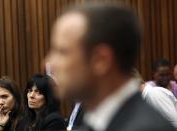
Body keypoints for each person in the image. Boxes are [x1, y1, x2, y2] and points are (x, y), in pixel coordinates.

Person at [47, 2, 176, 131]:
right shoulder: (96, 123)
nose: (49, 63)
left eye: (62, 52)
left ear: (100, 60)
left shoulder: (147, 127)